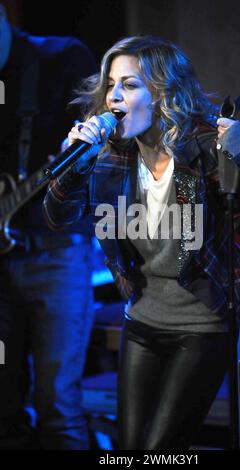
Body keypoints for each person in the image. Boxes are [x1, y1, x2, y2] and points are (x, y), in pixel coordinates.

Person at [43, 35, 240, 450]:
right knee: (130, 449)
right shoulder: (110, 156)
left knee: (159, 451)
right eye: (111, 85)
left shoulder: (206, 148)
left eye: (130, 85)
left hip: (203, 322)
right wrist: (75, 167)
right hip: (141, 321)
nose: (114, 96)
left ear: (162, 93)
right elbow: (56, 218)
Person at [0, 2, 98, 449]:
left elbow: (101, 144)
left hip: (55, 251)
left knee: (58, 408)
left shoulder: (62, 57)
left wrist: (75, 152)